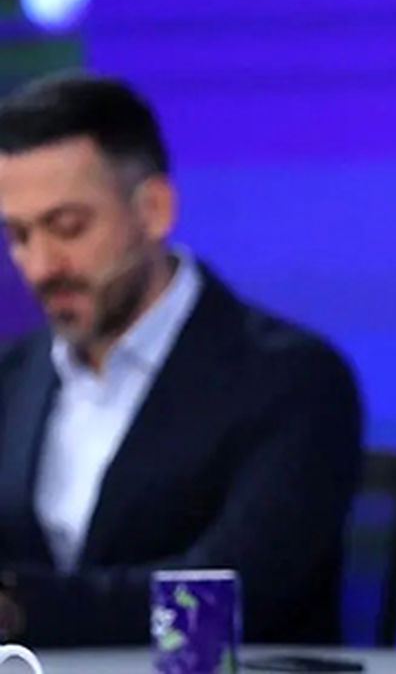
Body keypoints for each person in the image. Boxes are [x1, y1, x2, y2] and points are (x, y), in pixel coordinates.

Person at [0, 72, 363, 646]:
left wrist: (21, 609)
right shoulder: (11, 379)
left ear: (154, 209)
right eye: (19, 236)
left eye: (68, 227)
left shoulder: (294, 380)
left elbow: (241, 593)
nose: (41, 266)